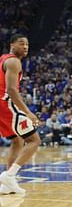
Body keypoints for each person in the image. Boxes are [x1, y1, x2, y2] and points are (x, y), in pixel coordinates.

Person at [0, 34, 41, 195]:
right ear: (12, 45)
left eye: (27, 44)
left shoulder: (4, 58)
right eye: (21, 43)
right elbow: (11, 90)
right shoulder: (14, 61)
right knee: (34, 140)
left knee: (17, 141)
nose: (25, 47)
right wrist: (28, 112)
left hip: (2, 103)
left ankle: (7, 185)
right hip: (6, 103)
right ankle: (9, 175)